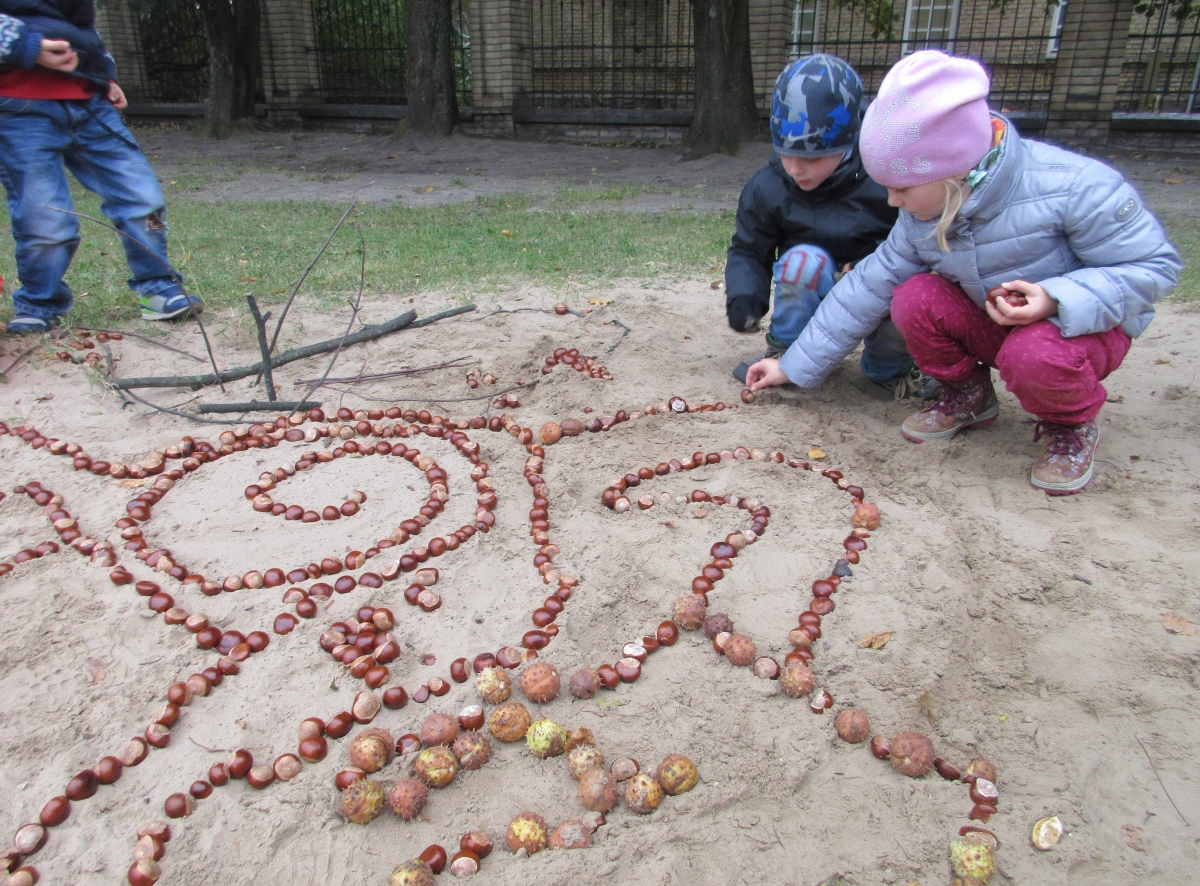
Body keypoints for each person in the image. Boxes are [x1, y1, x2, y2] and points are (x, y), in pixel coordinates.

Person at [746, 50, 1181, 494]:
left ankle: (1071, 425)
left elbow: (1154, 267)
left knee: (1032, 353)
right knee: (913, 296)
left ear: (953, 172)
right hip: (1000, 328)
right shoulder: (923, 213)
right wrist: (793, 365)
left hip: (1080, 334)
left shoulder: (1075, 186)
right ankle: (969, 395)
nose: (891, 201)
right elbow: (867, 286)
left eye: (900, 188)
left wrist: (1055, 298)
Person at [725, 53, 934, 399]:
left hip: (874, 279)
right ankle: (786, 351)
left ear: (848, 143)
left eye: (812, 158)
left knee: (905, 282)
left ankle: (889, 369)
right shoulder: (768, 186)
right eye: (786, 154)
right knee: (801, 263)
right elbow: (749, 248)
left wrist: (865, 264)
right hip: (809, 278)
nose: (796, 168)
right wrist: (745, 297)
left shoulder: (886, 179)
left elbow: (913, 245)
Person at [0, 2, 200, 334]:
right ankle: (38, 303)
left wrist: (104, 74)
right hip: (19, 108)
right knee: (45, 218)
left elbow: (83, 25)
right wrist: (27, 46)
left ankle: (158, 287)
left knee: (143, 199)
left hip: (90, 102)